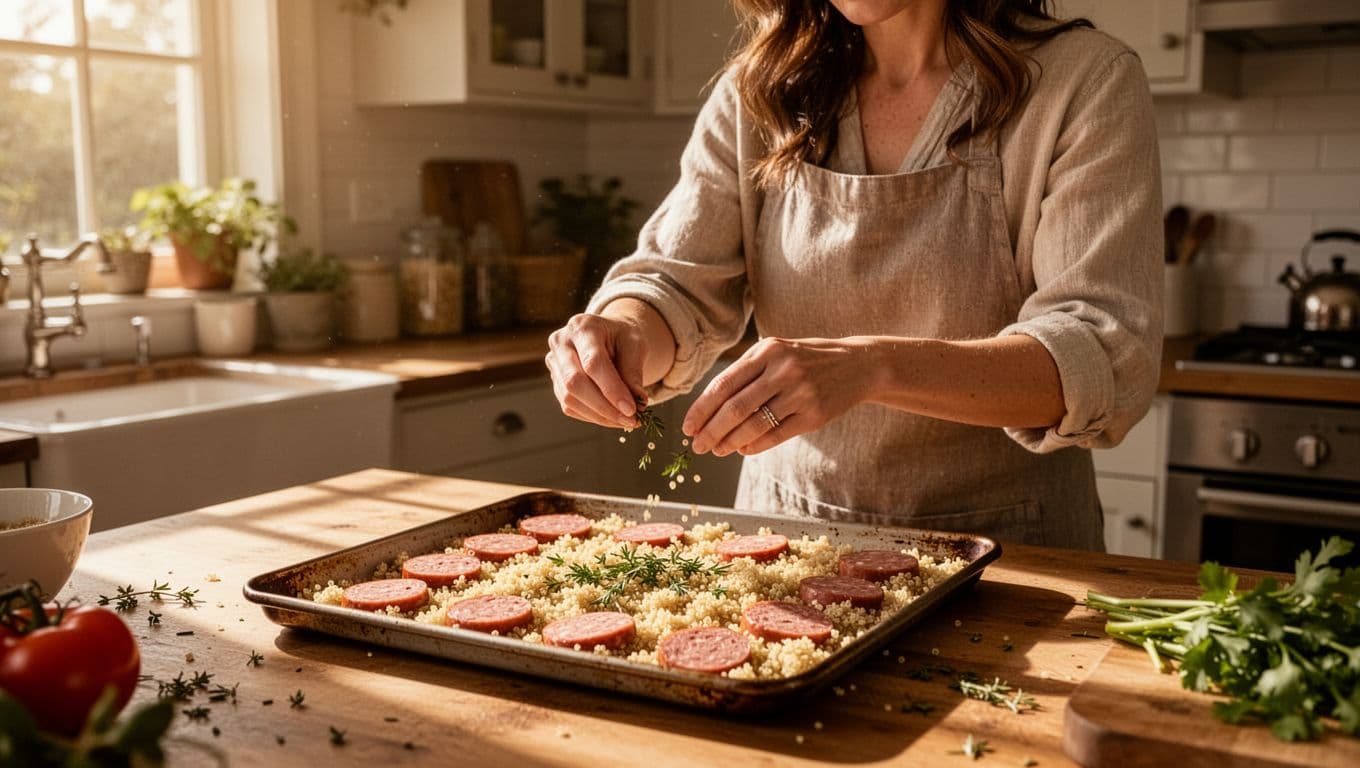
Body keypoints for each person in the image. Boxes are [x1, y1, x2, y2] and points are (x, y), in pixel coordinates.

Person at [545, 0, 1162, 550]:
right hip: (786, 540)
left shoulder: (1083, 79)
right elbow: (675, 284)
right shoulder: (760, 92)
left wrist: (870, 367)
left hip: (1014, 551)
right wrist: (622, 334)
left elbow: (1100, 353)